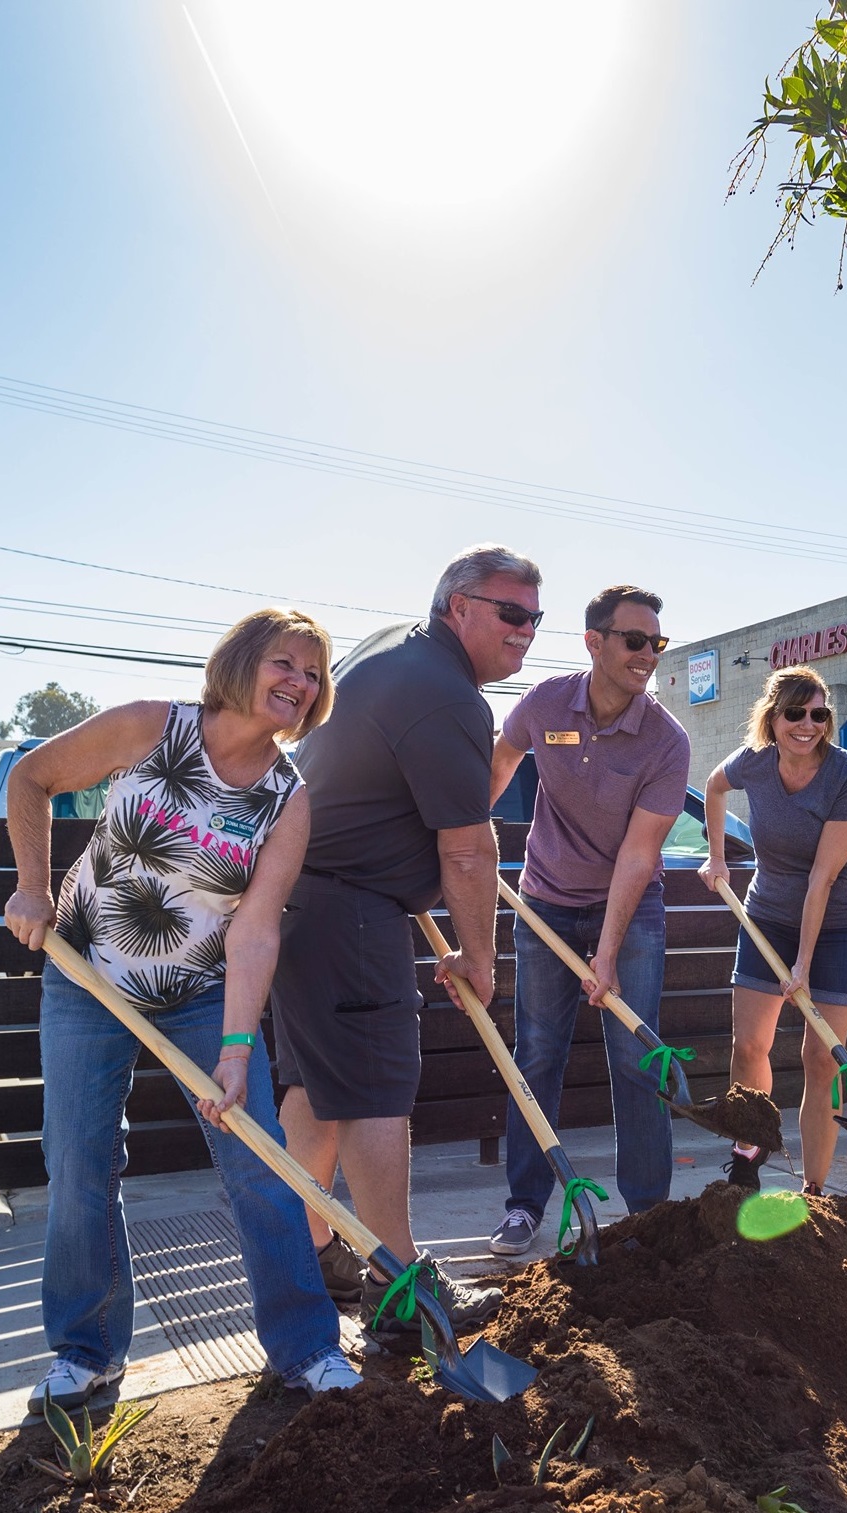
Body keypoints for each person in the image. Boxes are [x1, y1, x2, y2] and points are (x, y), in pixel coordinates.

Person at [4, 609, 360, 1410]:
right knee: (80, 1166)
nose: (299, 683)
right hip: (86, 979)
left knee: (259, 1160)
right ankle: (87, 1351)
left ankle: (305, 1347)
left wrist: (236, 1048)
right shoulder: (149, 728)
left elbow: (257, 930)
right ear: (240, 663)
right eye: (285, 663)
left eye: (312, 673)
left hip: (199, 992)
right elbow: (32, 777)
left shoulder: (285, 799)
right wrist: (33, 884)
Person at [272, 543, 541, 1335]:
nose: (525, 631)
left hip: (303, 904)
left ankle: (312, 1251)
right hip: (350, 912)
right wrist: (480, 958)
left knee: (318, 1094)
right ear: (458, 606)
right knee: (379, 1089)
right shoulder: (449, 695)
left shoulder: (394, 648)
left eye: (535, 618)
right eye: (510, 612)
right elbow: (466, 847)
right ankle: (397, 1289)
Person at [486, 585, 689, 1255]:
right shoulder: (546, 702)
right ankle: (523, 1204)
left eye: (656, 644)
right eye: (634, 640)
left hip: (626, 912)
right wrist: (462, 829)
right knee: (537, 1053)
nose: (647, 655)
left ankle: (649, 1211)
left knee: (636, 1058)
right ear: (593, 642)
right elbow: (501, 757)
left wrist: (605, 952)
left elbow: (638, 855)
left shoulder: (665, 740)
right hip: (543, 900)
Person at [699, 666, 847, 1195]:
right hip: (769, 915)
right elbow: (712, 786)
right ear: (772, 718)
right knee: (749, 1046)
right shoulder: (754, 764)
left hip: (841, 923)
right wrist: (717, 859)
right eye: (794, 714)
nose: (806, 725)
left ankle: (815, 1191)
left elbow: (821, 878)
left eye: (818, 715)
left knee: (820, 1058)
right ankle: (748, 1164)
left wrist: (802, 964)